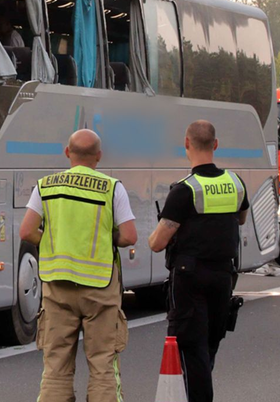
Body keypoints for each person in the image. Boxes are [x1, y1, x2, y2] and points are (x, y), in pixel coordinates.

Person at [19, 129, 137, 402]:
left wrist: (51, 240)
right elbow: (130, 236)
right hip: (100, 287)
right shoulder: (112, 187)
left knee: (56, 367)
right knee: (102, 366)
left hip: (57, 286)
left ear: (67, 152)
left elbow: (26, 231)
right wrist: (110, 238)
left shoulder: (45, 186)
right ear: (99, 156)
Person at [148, 120, 249, 402]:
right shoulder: (235, 182)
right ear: (215, 145)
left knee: (192, 347)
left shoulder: (185, 190)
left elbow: (158, 243)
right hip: (223, 276)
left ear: (186, 144)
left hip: (189, 276)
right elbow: (240, 218)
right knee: (210, 343)